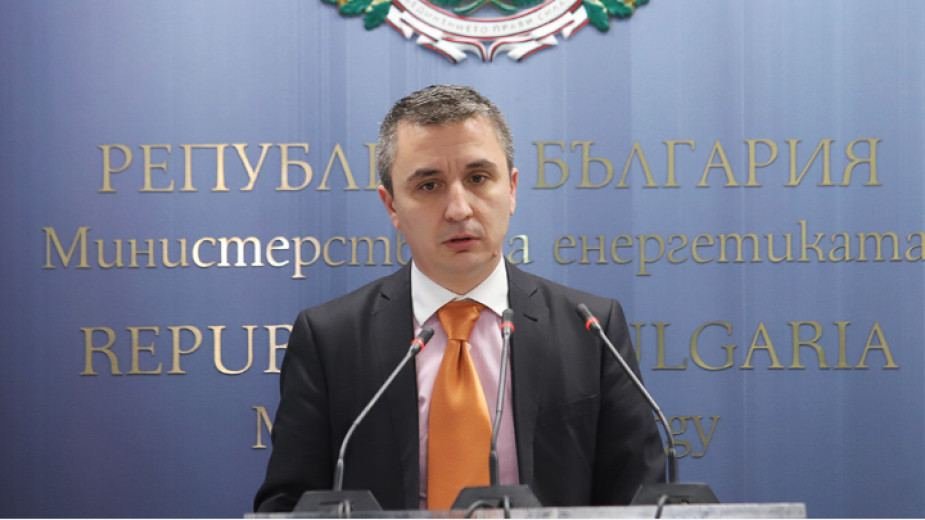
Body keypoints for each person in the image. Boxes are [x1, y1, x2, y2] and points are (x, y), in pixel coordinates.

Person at [254, 85, 664, 512]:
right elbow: (288, 504)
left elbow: (639, 500)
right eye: (429, 185)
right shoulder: (330, 339)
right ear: (391, 206)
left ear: (512, 189)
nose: (458, 209)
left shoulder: (590, 329)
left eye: (478, 178)